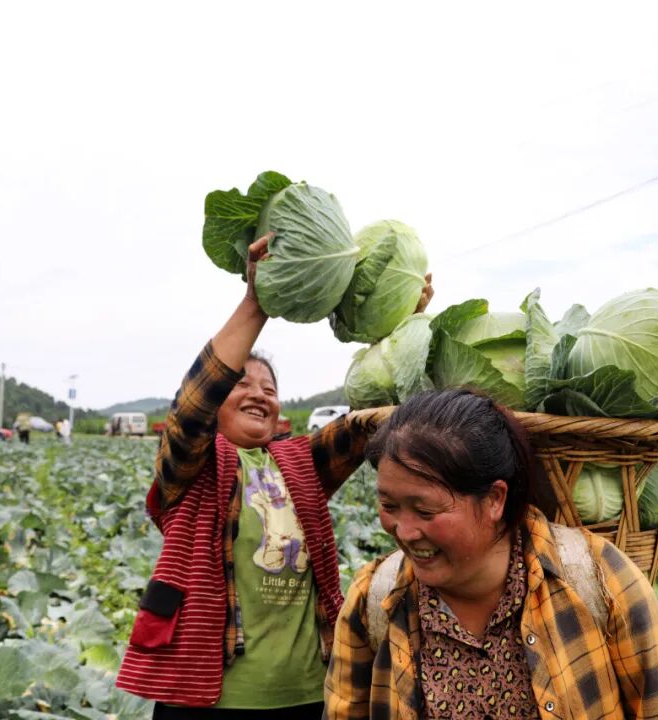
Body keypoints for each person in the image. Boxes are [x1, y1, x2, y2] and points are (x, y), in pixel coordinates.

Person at [116, 234, 433, 718]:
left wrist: (402, 318)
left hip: (305, 694)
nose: (259, 393)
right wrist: (256, 302)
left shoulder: (300, 463)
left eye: (269, 387)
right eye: (241, 382)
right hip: (208, 697)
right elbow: (192, 405)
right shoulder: (191, 469)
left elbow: (370, 417)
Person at [325, 388, 658, 720]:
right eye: (389, 505)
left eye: (425, 512)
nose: (404, 532)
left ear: (494, 499)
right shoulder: (374, 600)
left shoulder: (599, 578)